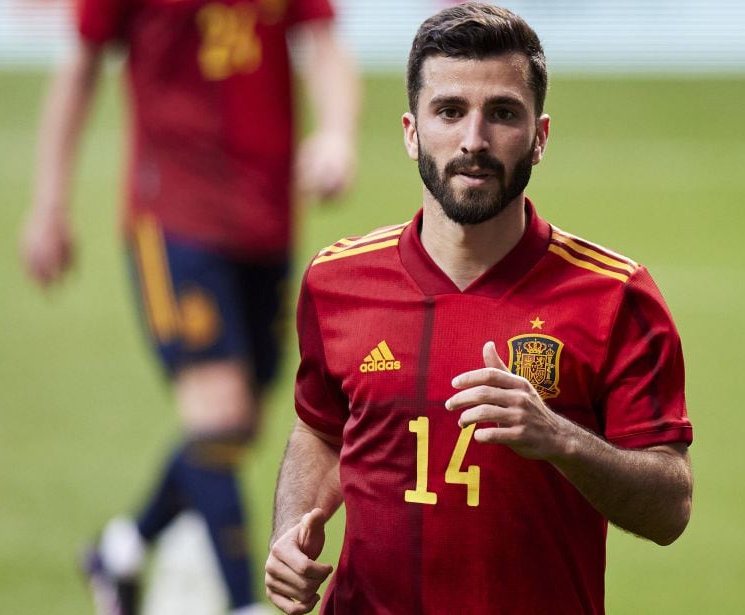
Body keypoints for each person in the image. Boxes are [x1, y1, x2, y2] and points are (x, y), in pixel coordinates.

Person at [264, 3, 693, 613]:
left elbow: (670, 508)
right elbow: (319, 428)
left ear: (539, 138)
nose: (473, 140)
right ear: (412, 131)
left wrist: (559, 439)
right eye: (449, 111)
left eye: (502, 114)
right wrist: (290, 532)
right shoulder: (337, 280)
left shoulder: (615, 297)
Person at [20, 0, 358, 613]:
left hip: (268, 222)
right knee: (220, 415)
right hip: (173, 218)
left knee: (235, 429)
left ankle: (119, 551)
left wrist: (336, 132)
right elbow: (81, 67)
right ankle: (243, 603)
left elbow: (324, 42)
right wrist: (50, 204)